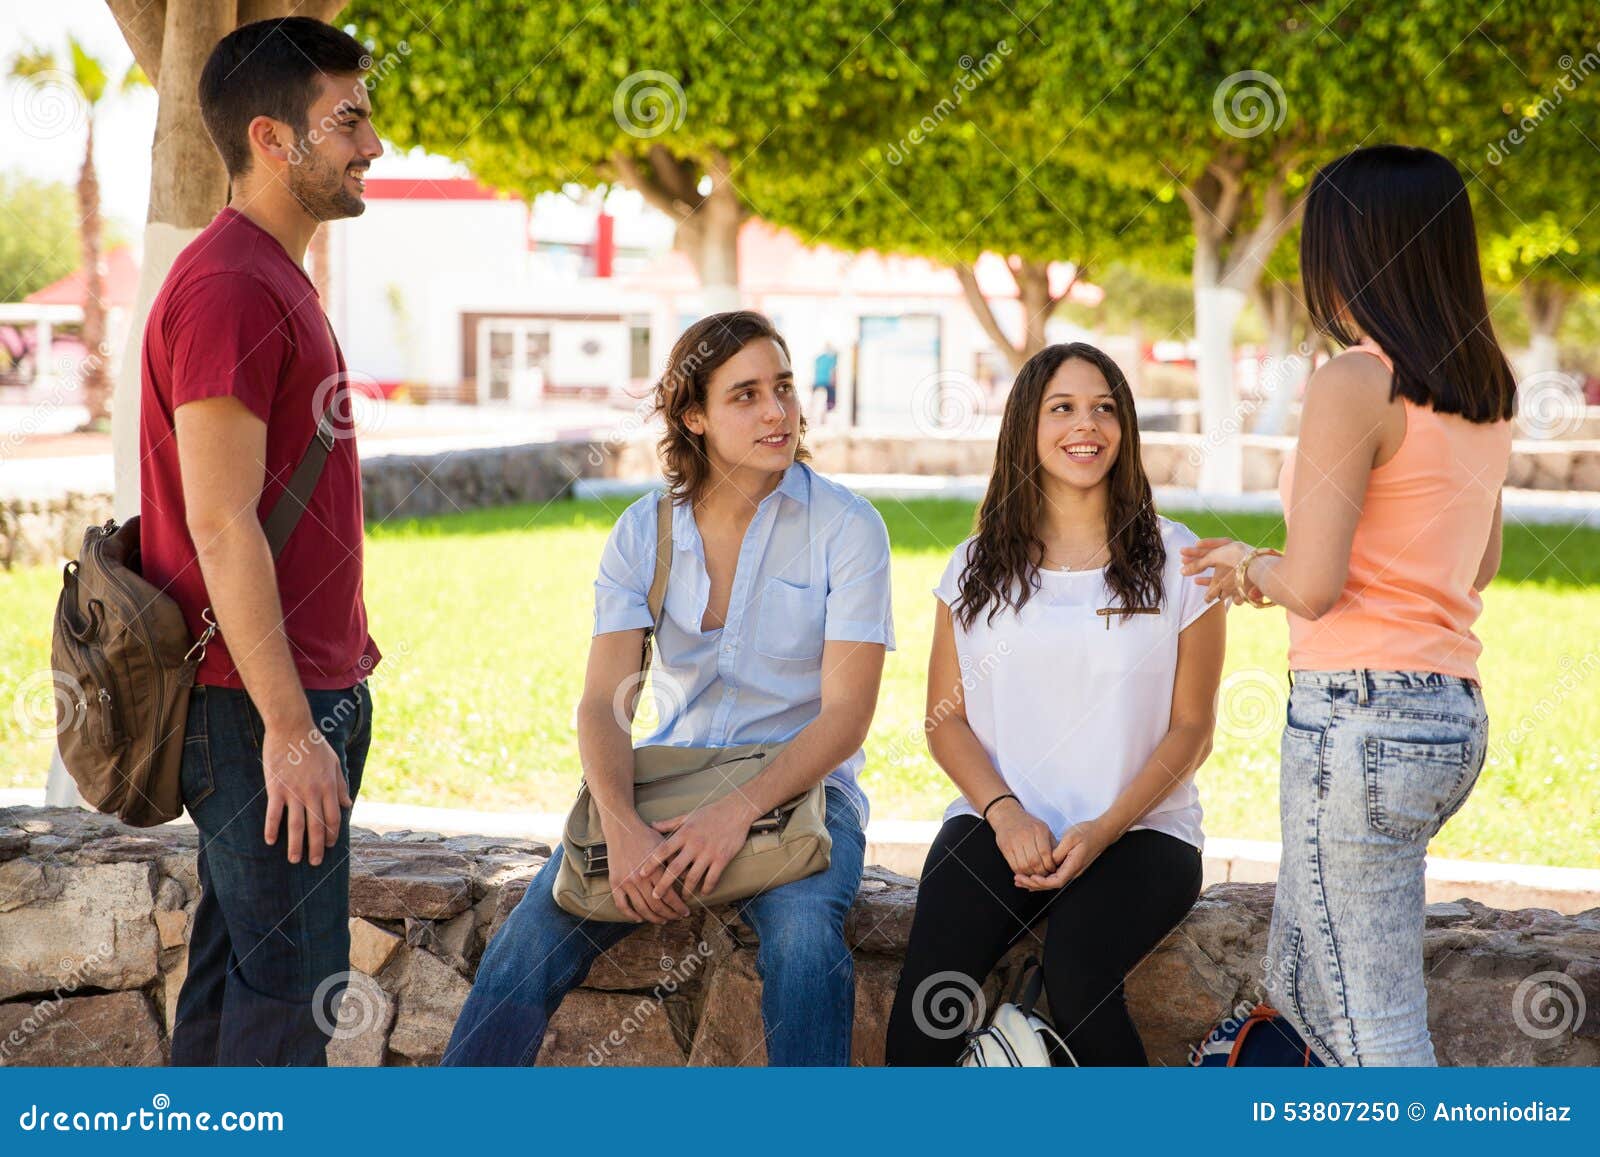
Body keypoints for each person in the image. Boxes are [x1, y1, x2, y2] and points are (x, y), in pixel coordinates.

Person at [444, 311, 894, 1066]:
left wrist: (736, 815)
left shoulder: (847, 527)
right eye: (745, 395)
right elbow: (601, 703)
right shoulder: (642, 531)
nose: (778, 411)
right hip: (670, 782)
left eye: (783, 387)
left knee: (805, 941)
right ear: (695, 416)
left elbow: (847, 717)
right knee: (532, 932)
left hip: (807, 789)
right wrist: (619, 822)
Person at [1182, 145, 1517, 1066]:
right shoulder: (1485, 390)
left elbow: (1316, 584)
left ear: (1354, 251)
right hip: (1451, 720)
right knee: (1303, 997)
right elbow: (1477, 565)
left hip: (1358, 723)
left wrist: (1250, 564)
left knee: (1379, 1038)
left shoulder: (1353, 382)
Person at [139, 17, 385, 1066]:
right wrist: (292, 730)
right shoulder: (234, 286)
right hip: (256, 708)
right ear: (272, 138)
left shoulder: (272, 273)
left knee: (236, 978)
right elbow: (219, 517)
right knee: (292, 1000)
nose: (371, 144)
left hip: (277, 697)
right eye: (348, 120)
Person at [885, 342, 1226, 1066]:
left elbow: (1192, 729)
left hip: (1141, 832)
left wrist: (1101, 831)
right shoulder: (976, 565)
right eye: (1063, 408)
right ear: (1025, 429)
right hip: (1002, 822)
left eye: (1106, 408)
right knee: (925, 1004)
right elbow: (946, 720)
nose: (1088, 425)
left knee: (1078, 973)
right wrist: (1004, 812)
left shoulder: (1176, 561)